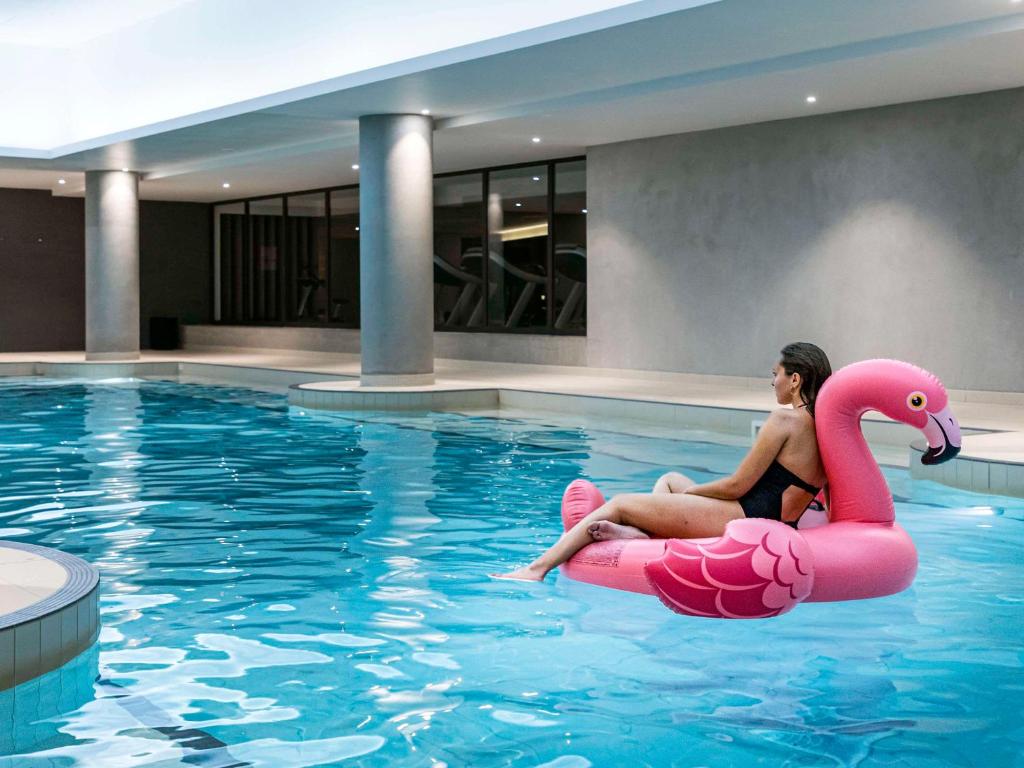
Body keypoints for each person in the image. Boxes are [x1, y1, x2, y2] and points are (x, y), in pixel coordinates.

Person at [493, 342, 832, 582]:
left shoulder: (784, 420)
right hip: (776, 518)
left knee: (621, 503)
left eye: (776, 374)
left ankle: (536, 569)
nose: (772, 382)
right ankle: (639, 535)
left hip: (746, 515)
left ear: (795, 379)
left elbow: (737, 485)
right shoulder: (824, 426)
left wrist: (694, 493)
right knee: (670, 479)